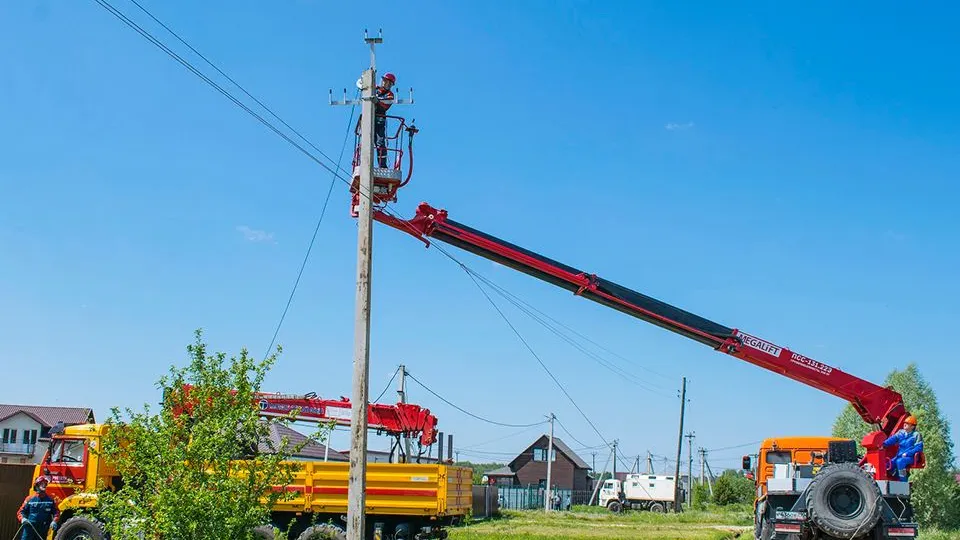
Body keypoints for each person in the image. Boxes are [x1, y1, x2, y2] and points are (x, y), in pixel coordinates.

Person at [884, 415, 923, 480]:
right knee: (887, 465)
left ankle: (903, 481)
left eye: (907, 423)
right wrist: (883, 444)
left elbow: (918, 448)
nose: (904, 424)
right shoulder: (900, 432)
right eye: (904, 423)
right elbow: (892, 439)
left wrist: (908, 454)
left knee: (900, 462)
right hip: (899, 456)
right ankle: (894, 477)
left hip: (911, 457)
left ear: (912, 426)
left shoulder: (916, 435)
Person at [375, 72, 396, 168]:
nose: (385, 83)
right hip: (368, 119)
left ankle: (382, 165)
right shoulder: (374, 89)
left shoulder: (389, 95)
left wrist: (377, 101)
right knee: (365, 142)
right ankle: (364, 163)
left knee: (380, 143)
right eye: (384, 81)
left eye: (388, 82)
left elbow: (385, 106)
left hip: (379, 121)